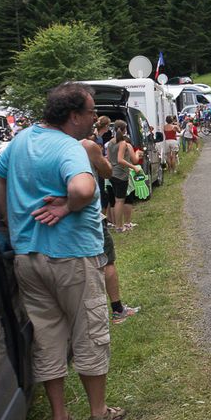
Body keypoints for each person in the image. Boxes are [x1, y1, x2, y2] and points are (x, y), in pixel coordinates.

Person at [0, 83, 126, 420]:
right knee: (89, 331)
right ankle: (97, 415)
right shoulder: (69, 148)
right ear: (74, 116)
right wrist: (67, 206)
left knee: (47, 336)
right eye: (91, 112)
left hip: (28, 258)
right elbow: (81, 189)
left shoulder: (20, 141)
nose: (95, 119)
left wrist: (11, 221)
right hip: (72, 256)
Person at [81, 136, 141, 325]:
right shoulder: (86, 145)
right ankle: (117, 310)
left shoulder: (29, 143)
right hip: (88, 216)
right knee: (107, 261)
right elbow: (106, 171)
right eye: (89, 113)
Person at [106, 120, 141, 232]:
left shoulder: (110, 142)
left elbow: (108, 157)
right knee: (120, 201)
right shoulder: (123, 144)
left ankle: (118, 225)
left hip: (112, 173)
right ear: (125, 129)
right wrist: (134, 166)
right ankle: (119, 226)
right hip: (121, 174)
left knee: (116, 200)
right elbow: (120, 160)